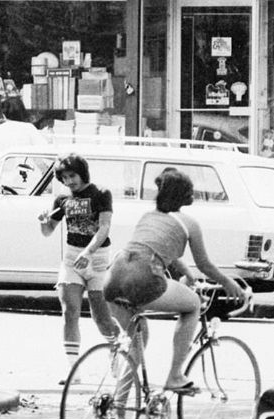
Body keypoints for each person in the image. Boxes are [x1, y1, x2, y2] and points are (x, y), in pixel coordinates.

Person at [103, 168, 243, 393]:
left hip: (113, 277)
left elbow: (163, 250)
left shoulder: (149, 217)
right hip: (143, 277)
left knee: (137, 343)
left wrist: (187, 275)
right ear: (187, 196)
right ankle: (175, 375)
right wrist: (228, 282)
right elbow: (205, 264)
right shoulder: (190, 223)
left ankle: (118, 411)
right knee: (193, 305)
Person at [38, 153, 119, 384]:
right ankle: (73, 370)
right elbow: (48, 231)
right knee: (69, 311)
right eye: (64, 177)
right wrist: (44, 222)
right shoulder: (62, 199)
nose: (69, 181)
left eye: (72, 175)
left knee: (101, 316)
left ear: (82, 172)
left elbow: (104, 227)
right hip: (72, 258)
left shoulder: (101, 193)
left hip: (98, 258)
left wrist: (89, 252)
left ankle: (116, 349)